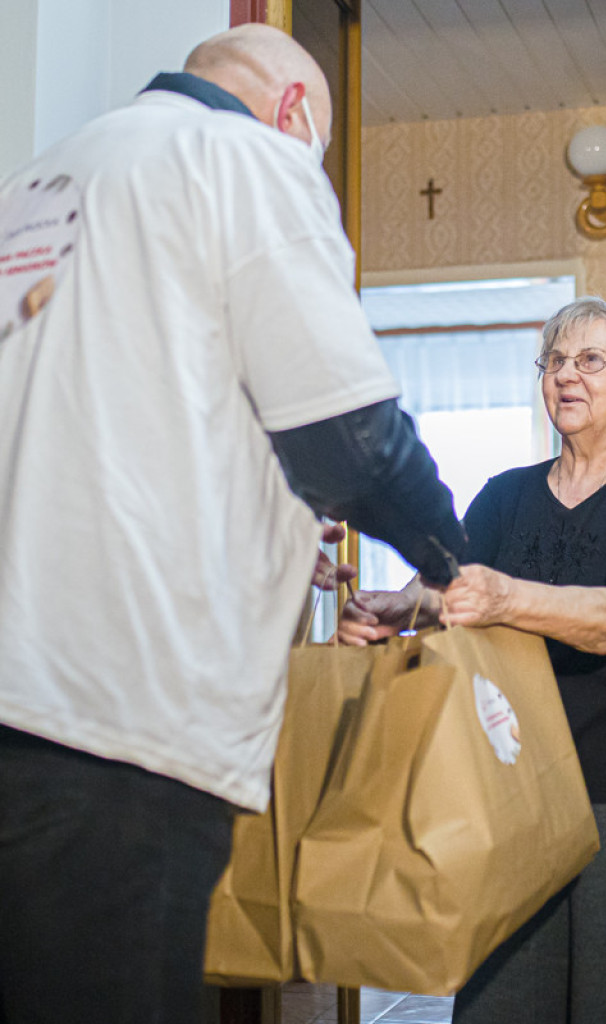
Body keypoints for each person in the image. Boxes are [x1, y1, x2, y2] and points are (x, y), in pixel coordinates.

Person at [0, 24, 465, 1024]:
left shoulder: (42, 183)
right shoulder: (246, 157)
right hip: (118, 707)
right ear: (295, 113)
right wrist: (454, 559)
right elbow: (348, 436)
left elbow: (125, 429)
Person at [339, 297, 606, 1024]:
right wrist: (394, 609)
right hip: (518, 776)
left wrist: (502, 599)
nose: (566, 375)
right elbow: (446, 584)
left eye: (590, 360)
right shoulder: (504, 495)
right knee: (506, 991)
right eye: (554, 361)